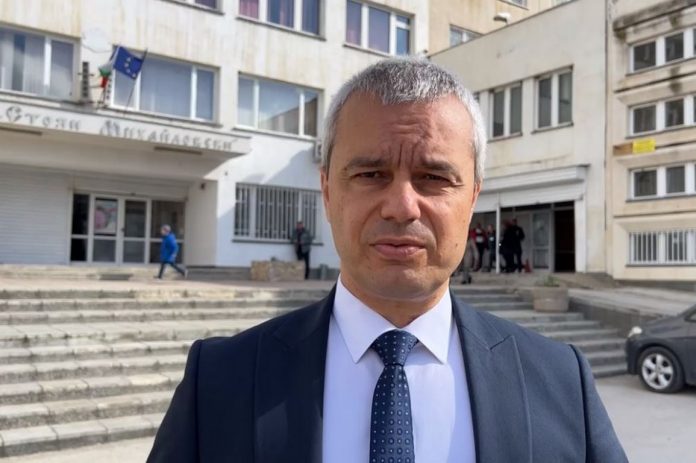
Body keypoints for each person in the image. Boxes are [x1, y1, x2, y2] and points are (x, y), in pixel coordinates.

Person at [148, 58, 627, 462]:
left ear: (473, 198)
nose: (401, 206)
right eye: (371, 174)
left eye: (434, 177)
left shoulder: (560, 380)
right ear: (327, 190)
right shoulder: (220, 381)